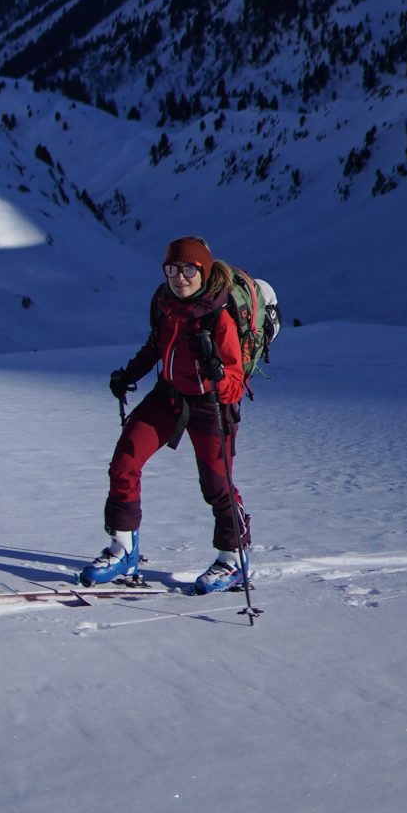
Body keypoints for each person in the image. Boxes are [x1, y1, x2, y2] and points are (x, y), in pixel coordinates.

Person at [82, 236, 257, 593]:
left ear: (203, 271)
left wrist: (217, 374)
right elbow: (155, 346)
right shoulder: (164, 303)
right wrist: (129, 375)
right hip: (168, 397)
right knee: (124, 462)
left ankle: (232, 559)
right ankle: (123, 550)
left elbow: (236, 386)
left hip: (210, 406)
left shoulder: (218, 316)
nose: (180, 277)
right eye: (172, 269)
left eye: (189, 269)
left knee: (217, 487)